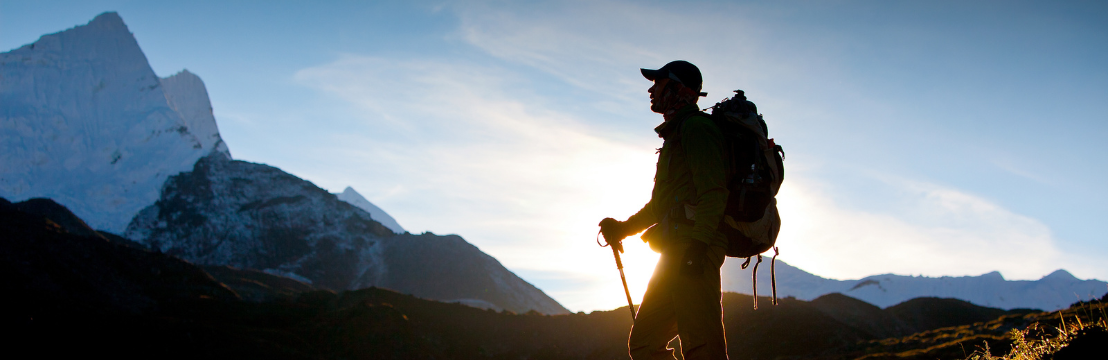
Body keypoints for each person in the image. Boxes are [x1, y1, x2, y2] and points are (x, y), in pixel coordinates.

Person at [599, 60, 729, 360]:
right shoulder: (676, 136)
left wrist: (698, 246)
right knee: (644, 344)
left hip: (695, 247)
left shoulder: (697, 128)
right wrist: (622, 229)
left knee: (701, 347)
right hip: (677, 250)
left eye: (658, 83)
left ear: (679, 89)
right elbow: (660, 206)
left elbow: (714, 193)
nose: (651, 89)